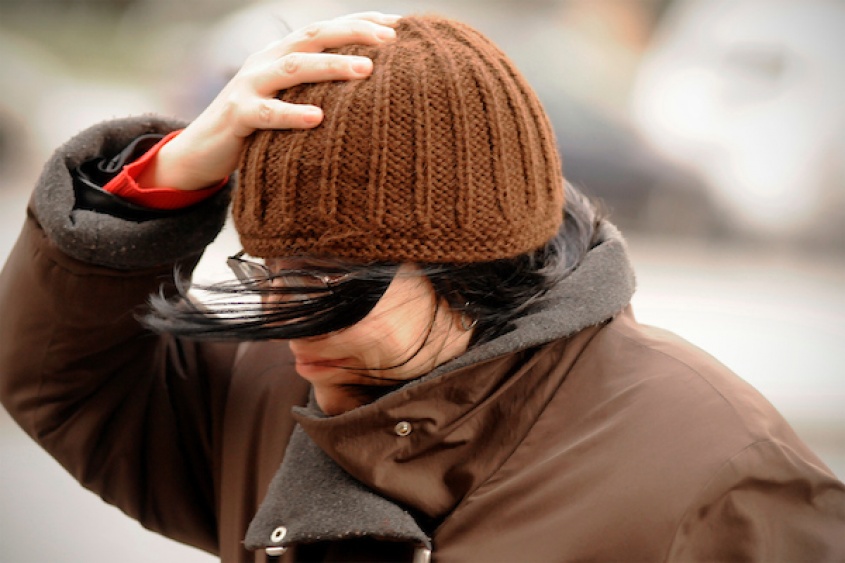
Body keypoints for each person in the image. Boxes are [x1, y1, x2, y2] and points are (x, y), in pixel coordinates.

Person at [0, 11, 843, 563]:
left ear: (469, 268)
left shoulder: (716, 461)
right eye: (268, 268)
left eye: (327, 276)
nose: (286, 322)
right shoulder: (273, 387)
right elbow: (58, 378)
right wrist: (166, 176)